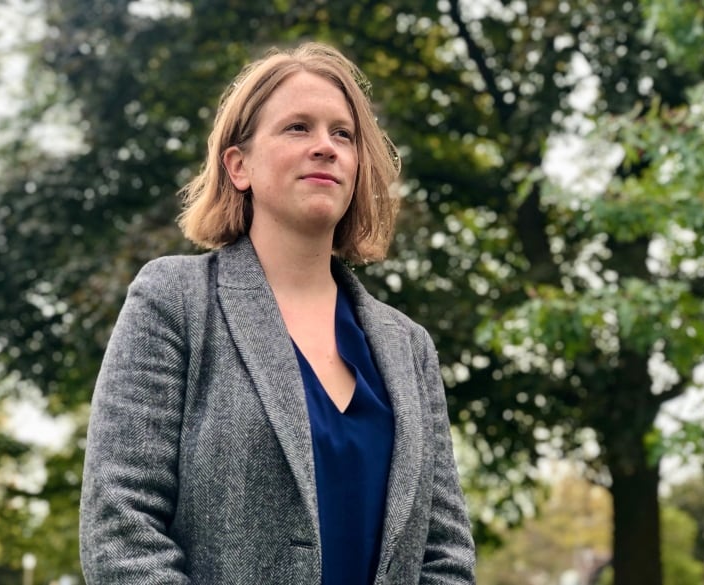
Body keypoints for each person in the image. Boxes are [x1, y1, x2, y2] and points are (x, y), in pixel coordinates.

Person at [79, 42, 476, 584]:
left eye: (343, 134)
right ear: (239, 166)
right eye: (297, 128)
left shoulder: (409, 346)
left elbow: (446, 553)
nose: (325, 147)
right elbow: (120, 527)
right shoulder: (174, 301)